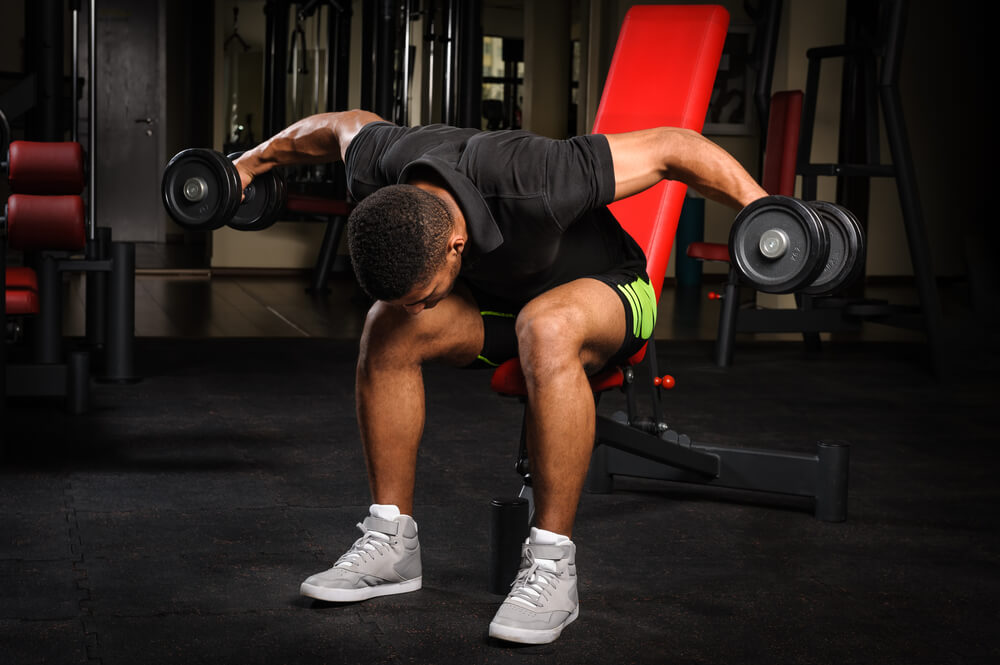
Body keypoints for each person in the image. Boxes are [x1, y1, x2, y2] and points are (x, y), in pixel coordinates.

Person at [233, 110, 767, 645]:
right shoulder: (383, 162)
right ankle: (392, 544)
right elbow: (339, 127)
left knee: (546, 325)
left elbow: (673, 147)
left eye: (424, 297)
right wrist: (249, 165)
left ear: (455, 245)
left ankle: (553, 565)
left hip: (608, 295)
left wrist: (765, 213)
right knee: (388, 324)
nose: (418, 309)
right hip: (503, 310)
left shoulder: (537, 176)